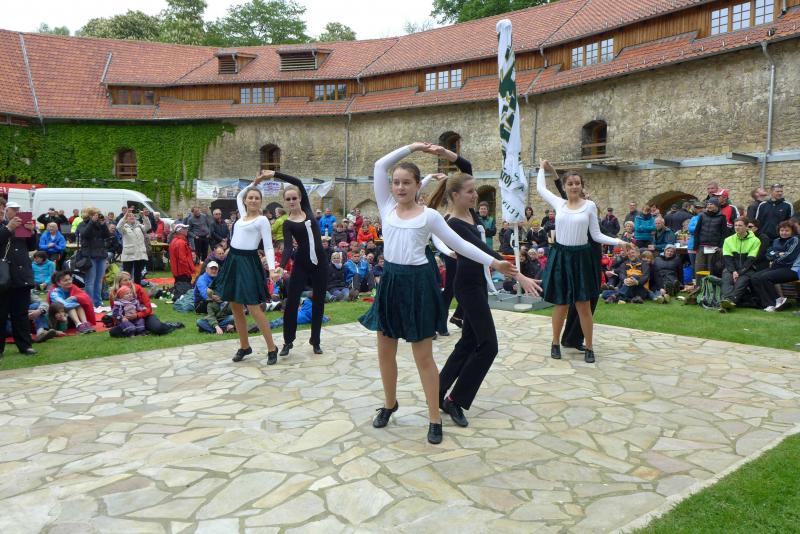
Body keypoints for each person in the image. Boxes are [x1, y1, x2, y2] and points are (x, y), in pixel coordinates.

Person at [360, 143, 517, 445]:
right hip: (390, 282)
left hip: (418, 284)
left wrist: (493, 261)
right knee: (385, 351)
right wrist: (414, 147)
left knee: (423, 357)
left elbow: (461, 244)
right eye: (396, 182)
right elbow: (380, 165)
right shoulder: (386, 208)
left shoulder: (429, 216)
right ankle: (390, 404)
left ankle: (434, 417)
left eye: (407, 182)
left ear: (418, 185)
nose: (400, 187)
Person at [428, 169, 540, 427]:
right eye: (470, 191)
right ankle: (455, 399)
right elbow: (482, 249)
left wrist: (449, 158)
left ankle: (438, 391)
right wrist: (519, 276)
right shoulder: (453, 224)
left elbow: (465, 166)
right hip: (467, 286)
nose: (475, 195)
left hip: (477, 284)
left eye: (474, 190)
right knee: (489, 346)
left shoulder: (470, 214)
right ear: (454, 195)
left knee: (468, 342)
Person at [537, 160, 623, 363]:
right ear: (565, 186)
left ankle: (589, 347)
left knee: (583, 305)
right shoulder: (559, 204)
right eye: (570, 183)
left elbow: (597, 235)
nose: (574, 186)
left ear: (582, 186)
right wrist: (542, 168)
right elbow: (541, 188)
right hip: (561, 257)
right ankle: (555, 343)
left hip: (581, 257)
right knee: (561, 304)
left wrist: (619, 241)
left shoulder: (589, 206)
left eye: (577, 183)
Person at [211, 174, 280, 364]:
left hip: (249, 262)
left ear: (261, 202)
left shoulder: (262, 220)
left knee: (253, 307)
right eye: (251, 197)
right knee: (235, 305)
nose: (253, 200)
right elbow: (239, 195)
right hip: (233, 260)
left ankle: (271, 348)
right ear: (246, 200)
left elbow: (268, 246)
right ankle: (244, 346)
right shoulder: (241, 215)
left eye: (257, 198)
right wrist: (255, 183)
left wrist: (272, 269)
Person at [269, 169, 328, 357]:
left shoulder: (308, 209)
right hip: (301, 264)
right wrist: (281, 265)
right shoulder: (288, 223)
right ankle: (288, 341)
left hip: (320, 263)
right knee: (292, 301)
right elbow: (288, 247)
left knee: (319, 301)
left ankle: (315, 340)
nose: (292, 201)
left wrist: (274, 173)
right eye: (288, 199)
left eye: (294, 198)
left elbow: (297, 181)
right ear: (285, 202)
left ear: (300, 198)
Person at [0, 203, 38, 358]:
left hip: (21, 276)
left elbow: (31, 247)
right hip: (2, 277)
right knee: (1, 314)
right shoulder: (7, 226)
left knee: (21, 314)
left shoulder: (20, 225)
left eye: (18, 210)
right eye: (12, 210)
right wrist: (8, 228)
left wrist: (32, 232)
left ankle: (25, 345)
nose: (16, 213)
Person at [109, 271, 181, 336]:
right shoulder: (113, 293)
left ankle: (170, 325)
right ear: (118, 282)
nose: (129, 282)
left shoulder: (138, 288)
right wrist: (121, 319)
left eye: (129, 279)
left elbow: (148, 308)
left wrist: (137, 315)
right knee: (113, 332)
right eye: (125, 280)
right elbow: (114, 311)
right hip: (126, 320)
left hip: (144, 316)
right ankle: (141, 329)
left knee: (158, 329)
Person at [749, 220, 799, 311]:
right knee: (754, 277)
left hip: (791, 269)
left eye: (787, 231)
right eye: (782, 230)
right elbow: (768, 254)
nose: (784, 233)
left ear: (792, 231)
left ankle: (775, 302)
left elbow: (789, 256)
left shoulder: (795, 240)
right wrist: (778, 254)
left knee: (766, 277)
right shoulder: (776, 241)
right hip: (776, 267)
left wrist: (775, 256)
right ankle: (765, 303)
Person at [719, 217, 763, 312]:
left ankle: (727, 302)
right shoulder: (728, 240)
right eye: (735, 225)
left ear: (747, 227)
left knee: (740, 283)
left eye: (740, 225)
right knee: (726, 280)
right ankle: (728, 302)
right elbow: (727, 259)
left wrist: (739, 272)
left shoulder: (755, 241)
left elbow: (750, 260)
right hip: (731, 268)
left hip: (747, 269)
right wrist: (733, 271)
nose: (737, 227)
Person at [77, 207, 110, 311]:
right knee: (90, 281)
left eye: (98, 214)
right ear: (90, 215)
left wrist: (103, 224)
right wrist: (91, 222)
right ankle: (89, 303)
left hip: (101, 255)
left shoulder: (99, 224)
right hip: (89, 255)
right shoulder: (82, 224)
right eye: (95, 214)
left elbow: (107, 235)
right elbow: (85, 234)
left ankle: (98, 302)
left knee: (99, 280)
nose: (97, 216)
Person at [693, 197, 731, 279]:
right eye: (708, 204)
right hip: (702, 246)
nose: (709, 206)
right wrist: (695, 246)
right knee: (699, 268)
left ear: (716, 205)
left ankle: (712, 285)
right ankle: (699, 285)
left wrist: (721, 247)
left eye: (711, 204)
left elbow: (724, 233)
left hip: (714, 247)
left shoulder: (722, 217)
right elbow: (697, 231)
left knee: (711, 268)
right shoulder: (702, 215)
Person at [120, 210, 150, 285]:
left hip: (139, 253)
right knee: (127, 274)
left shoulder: (139, 226)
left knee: (138, 273)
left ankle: (137, 288)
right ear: (126, 219)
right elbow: (118, 227)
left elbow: (148, 227)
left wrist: (144, 216)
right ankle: (126, 289)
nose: (132, 217)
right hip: (128, 254)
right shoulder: (124, 227)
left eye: (133, 216)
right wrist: (125, 215)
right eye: (129, 216)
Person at [169, 223, 196, 298]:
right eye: (185, 229)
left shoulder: (174, 240)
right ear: (180, 231)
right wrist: (187, 271)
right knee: (184, 291)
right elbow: (182, 259)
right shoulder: (181, 242)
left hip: (177, 271)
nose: (187, 230)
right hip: (182, 271)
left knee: (178, 287)